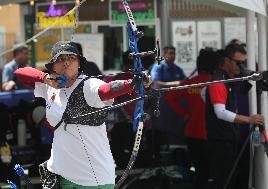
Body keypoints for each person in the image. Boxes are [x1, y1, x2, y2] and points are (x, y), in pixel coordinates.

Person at [14, 41, 151, 189]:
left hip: (92, 179)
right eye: (60, 59)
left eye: (71, 58)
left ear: (79, 63)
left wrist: (131, 83)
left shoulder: (89, 85)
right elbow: (20, 73)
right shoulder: (49, 87)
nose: (66, 62)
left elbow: (106, 90)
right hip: (61, 176)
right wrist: (45, 78)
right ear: (53, 66)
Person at [205, 43, 265, 189]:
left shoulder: (231, 76)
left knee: (234, 179)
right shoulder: (219, 80)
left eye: (243, 62)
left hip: (229, 138)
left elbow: (203, 95)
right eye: (238, 62)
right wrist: (249, 119)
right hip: (220, 141)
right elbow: (220, 112)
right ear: (227, 60)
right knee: (224, 181)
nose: (241, 65)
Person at [164, 48, 222, 189]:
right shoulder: (217, 83)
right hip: (214, 134)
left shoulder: (191, 82)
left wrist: (184, 114)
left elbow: (169, 98)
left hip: (192, 133)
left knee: (200, 172)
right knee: (216, 173)